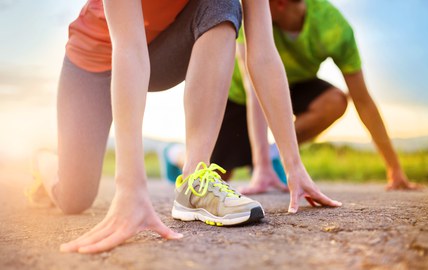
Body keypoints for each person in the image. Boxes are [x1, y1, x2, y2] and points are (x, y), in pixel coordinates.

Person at [27, 0, 341, 254]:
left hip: (163, 52)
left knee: (223, 2)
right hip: (94, 61)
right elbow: (128, 48)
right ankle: (46, 160)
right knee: (74, 198)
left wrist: (293, 165)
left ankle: (195, 180)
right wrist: (130, 189)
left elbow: (263, 55)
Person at [207, 0, 422, 194]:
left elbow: (363, 100)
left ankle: (274, 155)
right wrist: (260, 166)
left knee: (335, 101)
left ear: (279, 3)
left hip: (296, 84)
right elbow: (254, 88)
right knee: (218, 176)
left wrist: (394, 168)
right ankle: (176, 154)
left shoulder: (333, 27)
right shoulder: (249, 16)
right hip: (241, 95)